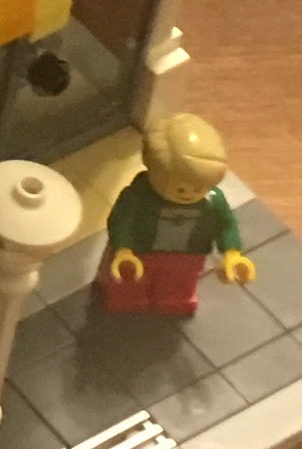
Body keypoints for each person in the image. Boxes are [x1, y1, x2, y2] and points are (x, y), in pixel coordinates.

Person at [99, 111, 257, 318]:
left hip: (189, 254)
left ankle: (175, 297)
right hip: (141, 251)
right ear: (154, 173)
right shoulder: (138, 196)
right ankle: (129, 295)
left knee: (179, 282)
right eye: (181, 189)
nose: (190, 194)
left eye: (200, 187)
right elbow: (122, 220)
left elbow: (226, 224)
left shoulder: (212, 201)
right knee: (131, 280)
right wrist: (123, 248)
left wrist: (231, 252)